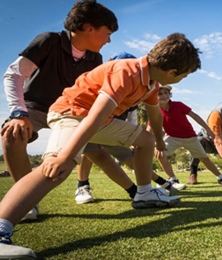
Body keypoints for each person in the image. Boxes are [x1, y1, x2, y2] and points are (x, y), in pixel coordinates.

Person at [0, 32, 201, 258]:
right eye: (183, 76)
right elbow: (93, 117)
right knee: (57, 167)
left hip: (97, 120)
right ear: (172, 72)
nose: (181, 79)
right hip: (70, 113)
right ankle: (1, 230)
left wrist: (158, 141)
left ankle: (144, 194)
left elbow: (154, 116)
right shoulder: (127, 71)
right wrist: (64, 156)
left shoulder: (151, 84)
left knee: (145, 140)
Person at [1, 0, 118, 221]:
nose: (109, 40)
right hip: (35, 108)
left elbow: (95, 96)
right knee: (11, 136)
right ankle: (26, 201)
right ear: (89, 28)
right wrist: (19, 113)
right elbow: (14, 74)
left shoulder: (97, 59)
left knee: (90, 152)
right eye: (107, 33)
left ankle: (136, 190)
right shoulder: (48, 40)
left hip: (69, 111)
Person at [74, 52, 183, 205]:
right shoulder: (116, 78)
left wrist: (144, 140)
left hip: (111, 126)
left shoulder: (139, 89)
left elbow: (144, 117)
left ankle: (146, 190)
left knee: (135, 153)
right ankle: (83, 185)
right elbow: (94, 116)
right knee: (94, 154)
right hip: (87, 120)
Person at [147, 85, 222, 186]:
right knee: (160, 154)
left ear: (169, 94)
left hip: (190, 137)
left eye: (166, 93)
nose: (164, 96)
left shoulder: (179, 105)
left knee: (204, 158)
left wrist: (209, 130)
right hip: (172, 137)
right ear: (154, 96)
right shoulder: (155, 110)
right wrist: (155, 143)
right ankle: (173, 179)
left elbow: (195, 116)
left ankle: (221, 178)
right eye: (160, 94)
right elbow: (149, 130)